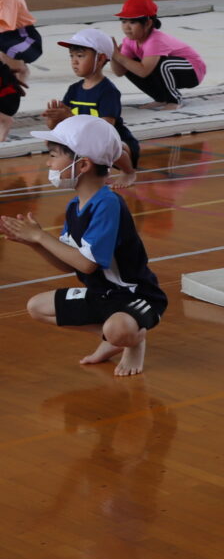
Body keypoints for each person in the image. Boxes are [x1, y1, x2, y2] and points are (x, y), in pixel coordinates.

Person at [1, 117, 163, 376]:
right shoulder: (74, 207)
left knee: (119, 328)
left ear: (83, 164)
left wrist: (43, 238)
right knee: (37, 307)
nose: (48, 162)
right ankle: (114, 340)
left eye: (53, 155)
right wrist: (34, 242)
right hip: (103, 296)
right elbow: (69, 264)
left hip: (136, 297)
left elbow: (88, 264)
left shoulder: (108, 203)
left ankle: (132, 340)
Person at [42, 29, 140, 187]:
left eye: (80, 56)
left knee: (109, 145)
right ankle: (86, 172)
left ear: (100, 59)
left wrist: (69, 118)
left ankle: (128, 171)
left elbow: (105, 130)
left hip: (115, 143)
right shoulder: (74, 89)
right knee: (52, 141)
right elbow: (61, 126)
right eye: (72, 56)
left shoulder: (108, 91)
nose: (74, 61)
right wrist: (54, 122)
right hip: (86, 141)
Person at [111, 0, 206, 108]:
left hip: (193, 71)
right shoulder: (128, 41)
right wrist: (113, 55)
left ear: (147, 23)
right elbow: (120, 72)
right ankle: (161, 98)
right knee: (130, 64)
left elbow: (144, 71)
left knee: (162, 64)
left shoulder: (155, 40)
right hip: (167, 72)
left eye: (132, 22)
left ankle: (175, 99)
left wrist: (118, 56)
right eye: (124, 22)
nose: (126, 27)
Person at [0, 0, 40, 87]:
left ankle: (19, 72)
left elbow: (5, 25)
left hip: (24, 39)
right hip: (9, 36)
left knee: (3, 44)